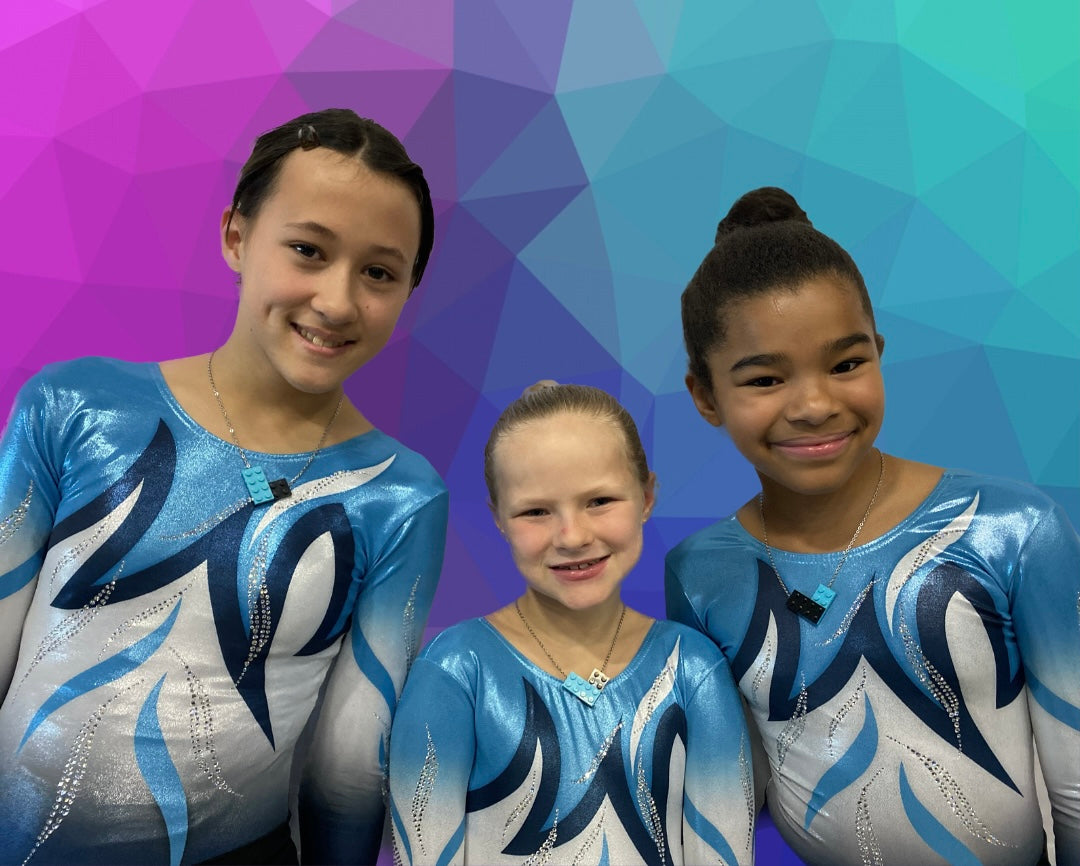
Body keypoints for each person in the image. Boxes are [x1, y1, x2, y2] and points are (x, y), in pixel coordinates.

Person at [0, 108, 448, 866]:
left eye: (379, 272)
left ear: (408, 289)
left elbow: (350, 761)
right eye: (308, 249)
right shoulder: (75, 406)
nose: (337, 302)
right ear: (236, 236)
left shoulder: (399, 498)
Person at [665, 186, 1080, 865]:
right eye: (766, 380)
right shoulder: (701, 573)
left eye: (846, 364)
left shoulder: (1014, 530)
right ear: (705, 395)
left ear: (878, 351)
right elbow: (732, 786)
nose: (815, 404)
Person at [388, 382, 754, 866]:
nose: (573, 536)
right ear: (498, 516)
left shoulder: (691, 667)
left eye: (600, 501)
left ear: (646, 496)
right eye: (536, 511)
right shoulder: (457, 671)